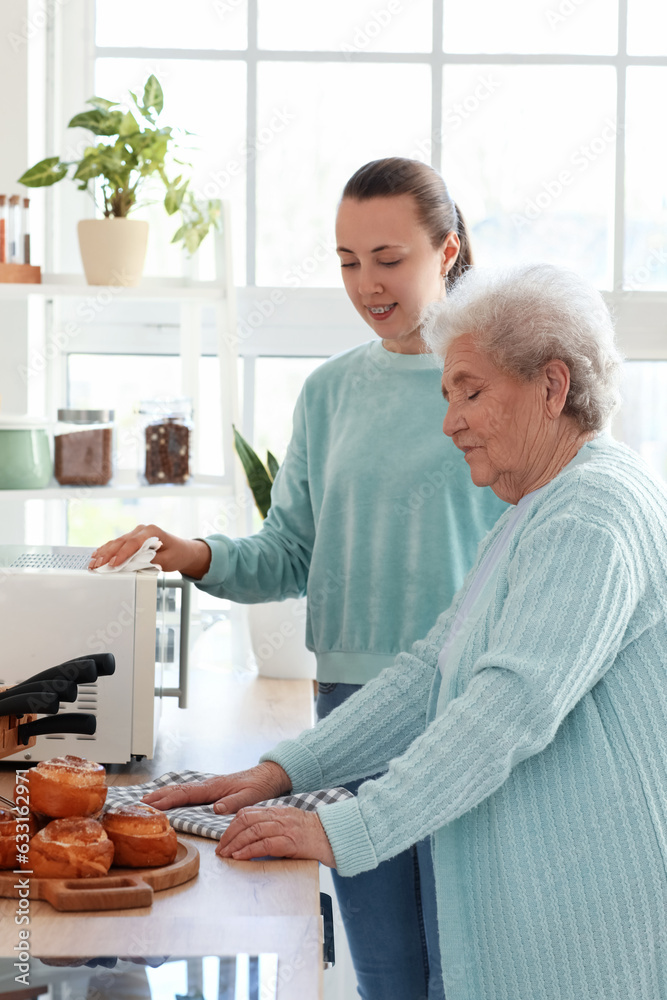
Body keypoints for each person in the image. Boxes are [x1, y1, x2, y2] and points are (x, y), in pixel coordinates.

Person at [146, 263, 667, 1000]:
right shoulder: (537, 509)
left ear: (552, 387)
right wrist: (281, 772)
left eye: (471, 391)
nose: (450, 420)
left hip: (584, 932)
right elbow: (431, 671)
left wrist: (349, 828)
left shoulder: (591, 514)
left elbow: (504, 708)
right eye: (447, 394)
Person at [89, 158, 508, 1000]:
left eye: (388, 258)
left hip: (462, 708)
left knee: (468, 966)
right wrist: (193, 551)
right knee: (386, 972)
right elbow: (288, 552)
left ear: (447, 248)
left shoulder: (494, 385)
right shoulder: (328, 392)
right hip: (346, 713)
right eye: (348, 260)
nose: (367, 283)